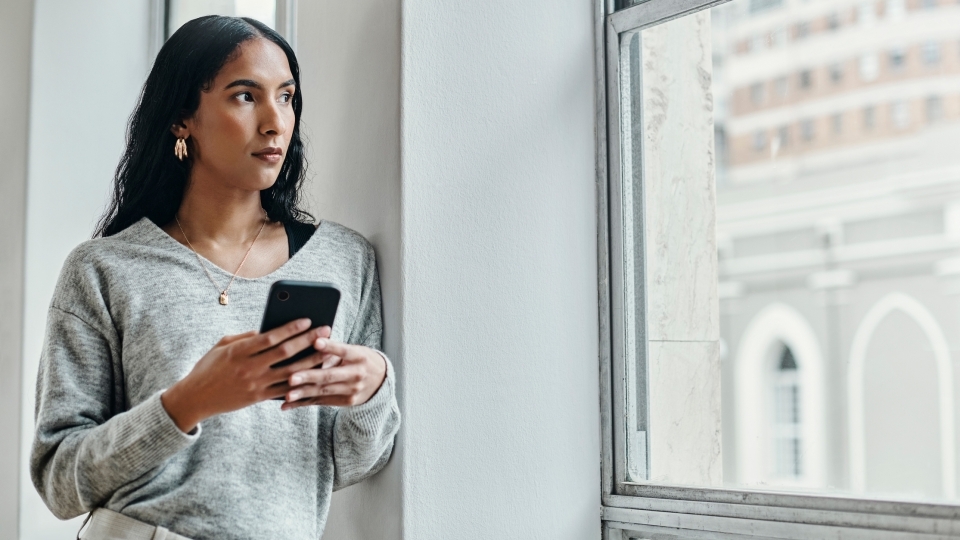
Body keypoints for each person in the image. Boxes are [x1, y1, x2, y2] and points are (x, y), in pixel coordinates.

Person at [30, 15, 400, 540]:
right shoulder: (103, 269)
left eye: (287, 96)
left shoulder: (343, 260)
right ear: (183, 117)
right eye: (245, 96)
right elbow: (59, 481)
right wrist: (190, 401)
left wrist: (373, 391)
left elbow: (350, 463)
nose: (275, 121)